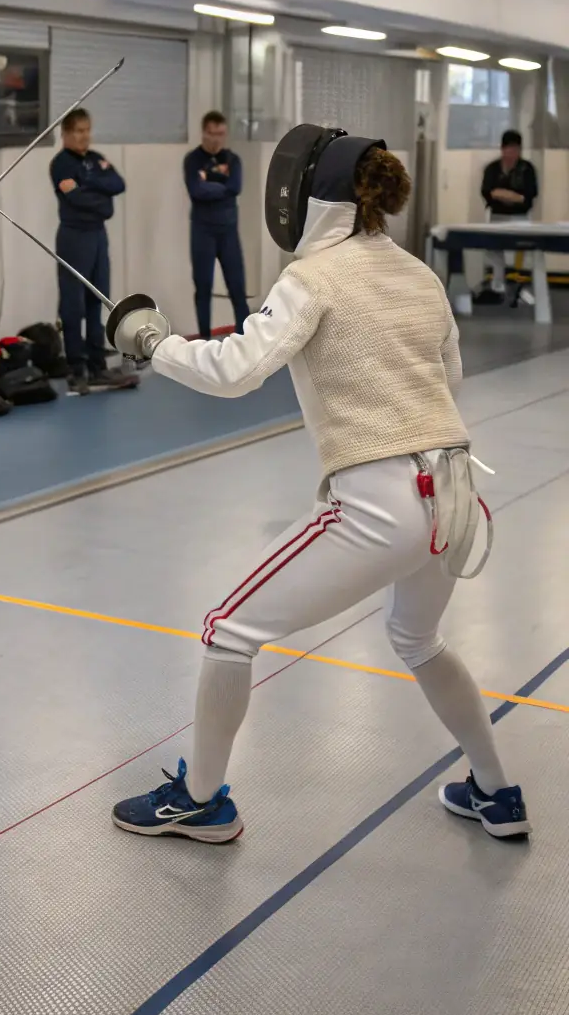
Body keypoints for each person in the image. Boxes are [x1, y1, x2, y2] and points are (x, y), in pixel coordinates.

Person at [110, 123, 529, 844]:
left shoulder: (311, 277)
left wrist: (156, 343)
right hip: (457, 497)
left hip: (383, 501)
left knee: (228, 629)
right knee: (419, 638)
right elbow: (448, 376)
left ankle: (203, 801)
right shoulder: (418, 272)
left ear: (304, 197)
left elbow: (235, 369)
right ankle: (496, 792)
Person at [50, 107, 128, 393]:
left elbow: (118, 185)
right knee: (74, 305)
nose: (85, 137)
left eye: (87, 130)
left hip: (98, 236)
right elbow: (80, 201)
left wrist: (89, 183)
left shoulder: (96, 160)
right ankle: (76, 368)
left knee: (98, 300)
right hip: (74, 237)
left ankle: (98, 366)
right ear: (66, 134)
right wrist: (101, 196)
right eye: (79, 132)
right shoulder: (61, 164)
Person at [184, 111, 248, 337]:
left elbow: (235, 187)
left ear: (225, 133)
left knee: (237, 288)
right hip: (203, 232)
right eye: (211, 134)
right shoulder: (193, 161)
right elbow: (196, 190)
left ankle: (245, 338)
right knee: (203, 289)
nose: (216, 139)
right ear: (204, 133)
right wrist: (223, 185)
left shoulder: (233, 160)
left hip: (228, 233)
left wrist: (210, 182)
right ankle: (205, 340)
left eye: (220, 134)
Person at [479, 128, 539, 299]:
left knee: (525, 252)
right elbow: (488, 192)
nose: (511, 153)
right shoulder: (492, 169)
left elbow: (528, 196)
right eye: (508, 149)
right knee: (494, 251)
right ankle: (497, 286)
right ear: (502, 149)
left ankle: (523, 288)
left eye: (515, 149)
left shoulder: (527, 169)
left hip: (520, 218)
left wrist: (504, 194)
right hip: (497, 216)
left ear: (519, 150)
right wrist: (513, 196)